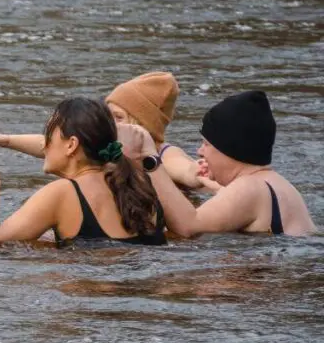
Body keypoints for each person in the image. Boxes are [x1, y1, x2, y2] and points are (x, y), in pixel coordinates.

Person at [0, 97, 166, 248]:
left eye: (48, 134)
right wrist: (3, 139)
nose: (44, 144)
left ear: (71, 145)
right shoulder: (140, 183)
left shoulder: (62, 193)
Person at [118, 91, 316, 237]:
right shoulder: (275, 183)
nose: (200, 151)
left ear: (229, 149)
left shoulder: (250, 187)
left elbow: (188, 226)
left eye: (206, 144)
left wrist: (150, 159)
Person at [0, 72, 203, 189]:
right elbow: (58, 146)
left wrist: (199, 172)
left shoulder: (162, 154)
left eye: (119, 117)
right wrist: (1, 139)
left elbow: (187, 172)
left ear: (145, 126)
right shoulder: (108, 145)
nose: (110, 123)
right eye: (108, 114)